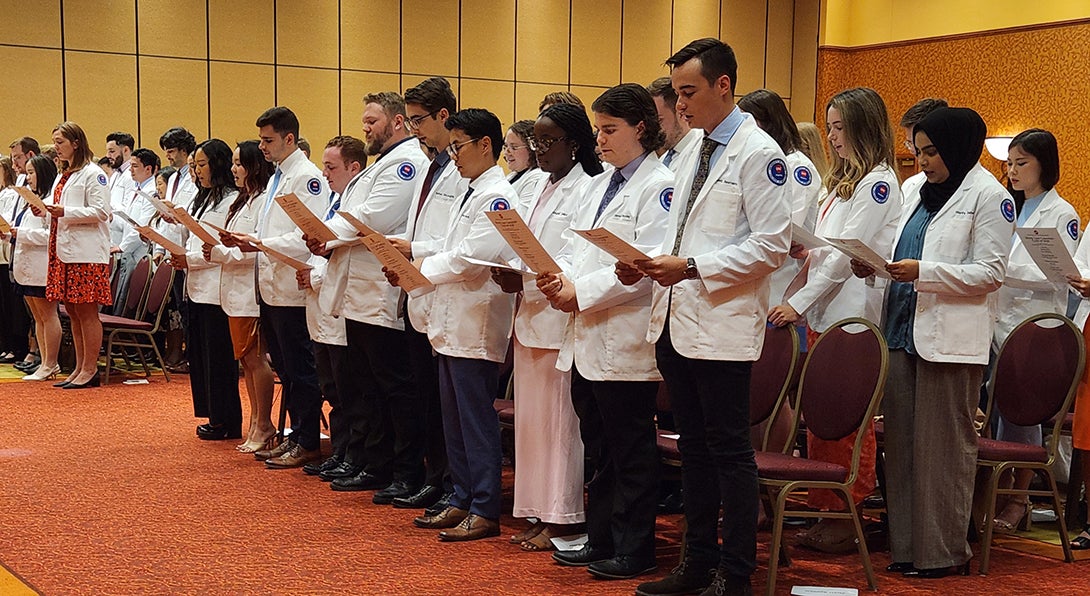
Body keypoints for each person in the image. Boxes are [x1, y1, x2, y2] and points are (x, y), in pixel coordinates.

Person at [619, 38, 790, 596]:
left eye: (689, 92)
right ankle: (697, 563)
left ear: (724, 86)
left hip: (720, 323)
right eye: (676, 93)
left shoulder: (760, 154)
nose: (680, 104)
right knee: (692, 451)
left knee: (728, 453)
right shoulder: (690, 148)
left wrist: (690, 266)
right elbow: (676, 229)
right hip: (675, 317)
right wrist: (642, 266)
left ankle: (735, 574)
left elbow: (771, 246)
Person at [852, 107, 1011, 578]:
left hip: (951, 341)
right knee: (900, 450)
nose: (922, 161)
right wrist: (876, 266)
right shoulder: (916, 194)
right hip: (903, 332)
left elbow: (990, 273)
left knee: (942, 450)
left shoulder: (990, 196)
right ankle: (906, 548)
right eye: (918, 151)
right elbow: (902, 252)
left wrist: (926, 272)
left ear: (960, 148)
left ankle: (943, 553)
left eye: (932, 152)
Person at [537, 83, 672, 580]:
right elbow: (576, 249)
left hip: (625, 336)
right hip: (587, 334)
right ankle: (600, 538)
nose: (600, 140)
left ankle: (636, 548)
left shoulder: (661, 186)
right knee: (598, 446)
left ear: (640, 127)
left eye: (609, 129)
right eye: (597, 130)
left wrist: (581, 291)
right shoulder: (598, 184)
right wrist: (562, 280)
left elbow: (642, 267)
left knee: (630, 452)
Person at [766, 87, 901, 552]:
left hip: (854, 316)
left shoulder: (878, 183)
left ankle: (850, 512)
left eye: (841, 127)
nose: (833, 136)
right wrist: (807, 249)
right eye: (830, 127)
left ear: (864, 128)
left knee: (847, 420)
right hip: (827, 310)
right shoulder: (842, 181)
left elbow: (844, 258)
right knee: (821, 417)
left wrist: (798, 303)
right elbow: (826, 248)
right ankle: (827, 506)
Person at [396, 108, 517, 542]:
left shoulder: (499, 195)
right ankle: (461, 497)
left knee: (474, 419)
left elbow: (472, 258)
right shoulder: (470, 189)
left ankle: (484, 506)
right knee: (454, 420)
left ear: (486, 144)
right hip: (449, 319)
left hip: (475, 320)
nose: (454, 155)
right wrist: (411, 250)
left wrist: (419, 265)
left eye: (459, 146)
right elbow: (450, 245)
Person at [494, 103, 602, 552]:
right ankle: (538, 511)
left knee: (561, 426)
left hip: (561, 315)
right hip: (529, 313)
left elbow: (576, 259)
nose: (538, 150)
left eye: (547, 141)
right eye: (534, 141)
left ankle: (565, 517)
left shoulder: (587, 189)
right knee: (533, 426)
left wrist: (532, 279)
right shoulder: (538, 184)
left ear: (574, 144)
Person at [312, 93, 429, 502]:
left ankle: (400, 469)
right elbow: (351, 214)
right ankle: (371, 461)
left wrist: (327, 235)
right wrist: (328, 234)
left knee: (392, 389)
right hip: (359, 289)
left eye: (371, 120)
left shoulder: (407, 163)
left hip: (380, 292)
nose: (365, 128)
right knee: (365, 386)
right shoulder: (385, 162)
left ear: (397, 122)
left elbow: (369, 218)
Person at [225, 106, 330, 469]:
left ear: (290, 138)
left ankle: (307, 439)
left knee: (300, 369)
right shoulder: (277, 177)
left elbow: (309, 236)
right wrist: (256, 241)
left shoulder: (307, 178)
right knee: (285, 367)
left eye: (268, 140)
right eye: (260, 140)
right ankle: (295, 435)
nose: (262, 147)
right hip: (270, 285)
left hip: (293, 286)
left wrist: (258, 241)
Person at [987, 129, 1078, 532]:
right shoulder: (1007, 207)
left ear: (1045, 164)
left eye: (1021, 163)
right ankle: (996, 491)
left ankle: (1019, 500)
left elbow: (1059, 275)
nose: (1012, 171)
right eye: (1009, 163)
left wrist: (998, 271)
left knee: (1021, 416)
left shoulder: (1063, 214)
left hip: (1035, 326)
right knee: (993, 415)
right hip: (996, 322)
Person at [392, 76, 467, 514]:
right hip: (416, 285)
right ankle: (435, 477)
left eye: (420, 120)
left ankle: (447, 483)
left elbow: (450, 238)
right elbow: (422, 225)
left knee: (444, 406)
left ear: (444, 115)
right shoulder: (430, 163)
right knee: (426, 396)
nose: (415, 128)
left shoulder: (459, 167)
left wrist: (412, 250)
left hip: (441, 287)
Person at [298, 135, 365, 477]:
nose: (324, 173)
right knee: (330, 385)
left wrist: (316, 277)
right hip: (320, 303)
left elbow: (341, 255)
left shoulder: (354, 207)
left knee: (347, 391)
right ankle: (339, 452)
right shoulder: (334, 202)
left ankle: (352, 454)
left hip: (340, 305)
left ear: (354, 167)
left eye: (330, 166)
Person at [206, 141, 276, 453]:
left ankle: (264, 422)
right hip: (233, 291)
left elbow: (255, 249)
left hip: (251, 290)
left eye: (239, 163)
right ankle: (255, 419)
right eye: (233, 163)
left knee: (255, 358)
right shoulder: (242, 200)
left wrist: (220, 251)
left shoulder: (263, 202)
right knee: (245, 361)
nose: (234, 169)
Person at [171, 139, 241, 441]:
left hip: (217, 287)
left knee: (219, 358)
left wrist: (189, 259)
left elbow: (219, 247)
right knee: (201, 355)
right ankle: (213, 414)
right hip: (197, 285)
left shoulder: (231, 200)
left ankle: (227, 419)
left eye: (202, 165)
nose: (197, 171)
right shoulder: (205, 198)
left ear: (218, 164)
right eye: (194, 166)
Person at [739, 88, 824, 308]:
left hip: (785, 275)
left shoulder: (797, 166)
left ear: (767, 123)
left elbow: (788, 226)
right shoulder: (761, 162)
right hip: (761, 273)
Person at [45, 122, 112, 389]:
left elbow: (101, 211)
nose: (56, 147)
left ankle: (90, 368)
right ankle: (79, 366)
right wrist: (45, 209)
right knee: (72, 309)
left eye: (60, 142)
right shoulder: (65, 174)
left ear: (76, 143)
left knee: (86, 311)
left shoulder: (93, 173)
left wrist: (65, 212)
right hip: (66, 248)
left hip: (87, 252)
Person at [12, 155, 60, 380]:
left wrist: (20, 233)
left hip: (43, 266)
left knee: (48, 315)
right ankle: (44, 361)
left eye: (31, 173)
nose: (28, 177)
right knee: (38, 317)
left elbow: (51, 235)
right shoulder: (32, 198)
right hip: (27, 265)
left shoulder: (50, 201)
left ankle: (51, 363)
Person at [111, 148, 158, 315]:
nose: (130, 170)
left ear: (149, 169)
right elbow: (128, 222)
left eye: (135, 166)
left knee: (129, 302)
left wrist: (123, 246)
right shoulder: (136, 189)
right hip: (129, 251)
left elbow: (143, 226)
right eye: (130, 166)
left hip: (139, 252)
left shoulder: (152, 191)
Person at [0, 157, 29, 365]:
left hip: (12, 251)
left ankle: (16, 346)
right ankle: (7, 344)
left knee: (12, 304)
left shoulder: (11, 193)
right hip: (8, 245)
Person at [898, 99, 949, 203]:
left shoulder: (984, 191)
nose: (914, 151)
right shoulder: (910, 186)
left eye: (929, 150)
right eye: (910, 143)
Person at [647, 76, 701, 171]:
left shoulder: (701, 153)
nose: (653, 129)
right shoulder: (665, 157)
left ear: (681, 114)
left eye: (659, 121)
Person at [504, 120, 549, 204]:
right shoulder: (512, 175)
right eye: (506, 146)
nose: (507, 152)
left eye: (514, 147)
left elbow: (523, 215)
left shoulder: (537, 177)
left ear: (531, 148)